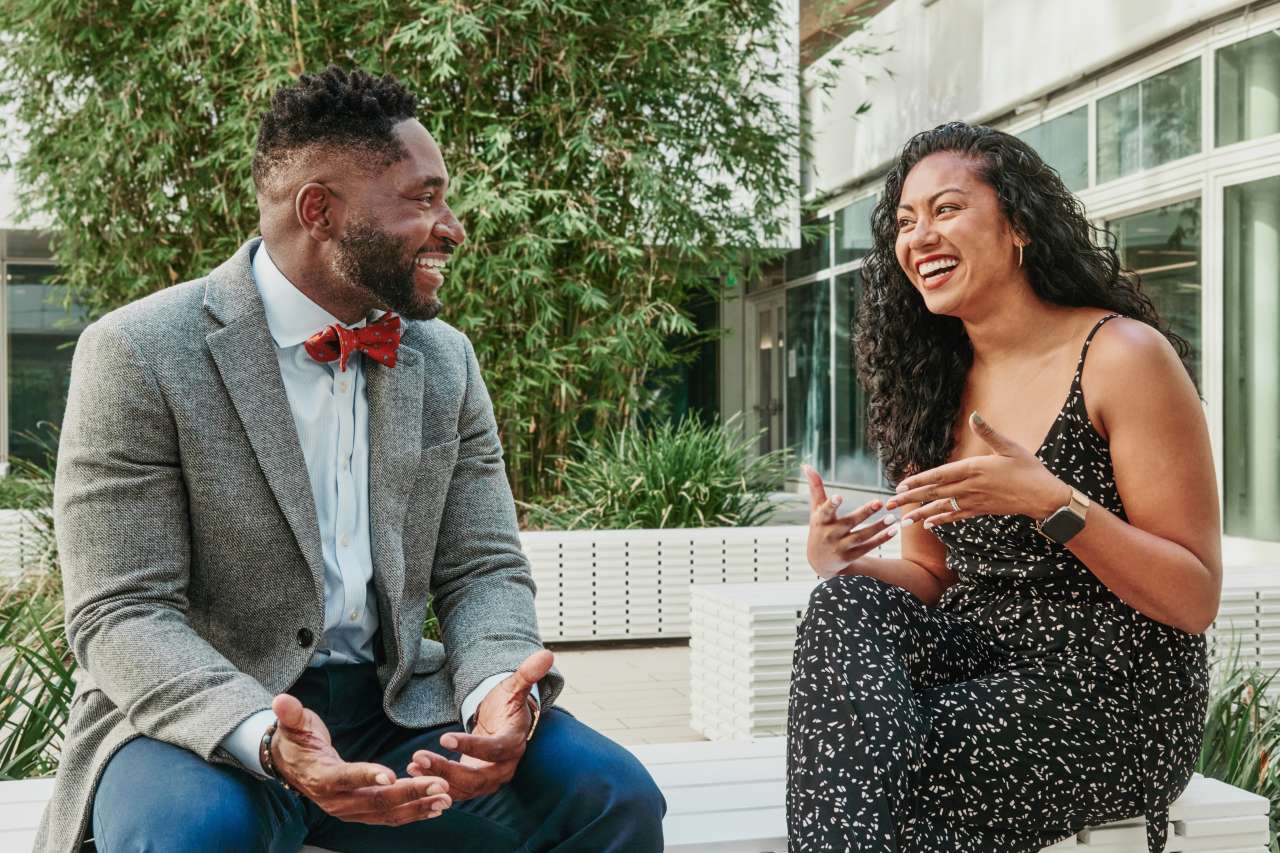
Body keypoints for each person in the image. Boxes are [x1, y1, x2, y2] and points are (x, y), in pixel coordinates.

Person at [36, 66, 665, 853]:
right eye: (422, 197)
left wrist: (497, 692)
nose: (453, 226)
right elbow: (119, 611)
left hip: (394, 708)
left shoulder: (444, 359)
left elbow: (484, 570)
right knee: (192, 837)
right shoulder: (137, 352)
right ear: (320, 210)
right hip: (199, 722)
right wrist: (266, 735)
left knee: (614, 798)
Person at [787, 121, 1219, 853]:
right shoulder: (932, 385)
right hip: (978, 658)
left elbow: (1193, 596)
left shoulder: (1121, 356)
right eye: (904, 221)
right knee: (843, 606)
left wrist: (1053, 503)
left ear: (1019, 225)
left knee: (881, 761)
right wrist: (844, 559)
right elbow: (932, 570)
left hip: (1113, 690)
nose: (919, 235)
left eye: (947, 209)